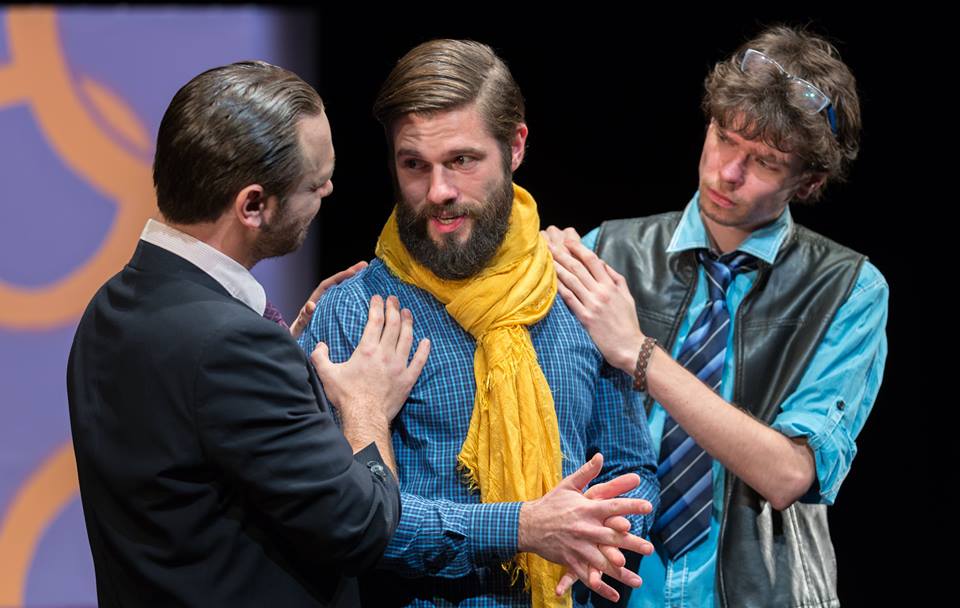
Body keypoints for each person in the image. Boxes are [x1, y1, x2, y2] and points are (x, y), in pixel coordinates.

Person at [299, 39, 659, 608]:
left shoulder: (576, 291)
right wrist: (523, 527)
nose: (439, 192)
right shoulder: (354, 314)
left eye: (462, 161)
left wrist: (607, 530)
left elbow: (632, 466)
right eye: (414, 165)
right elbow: (342, 517)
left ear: (515, 146)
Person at [544, 25, 888, 607]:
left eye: (765, 162)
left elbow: (788, 475)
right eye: (725, 138)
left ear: (808, 181)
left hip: (762, 593)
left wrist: (639, 352)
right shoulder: (609, 252)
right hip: (615, 588)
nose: (728, 172)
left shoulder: (848, 288)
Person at [66, 60, 430, 608]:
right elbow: (361, 528)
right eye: (315, 183)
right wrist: (366, 406)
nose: (330, 189)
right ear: (253, 205)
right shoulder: (231, 346)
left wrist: (284, 359)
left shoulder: (111, 305)